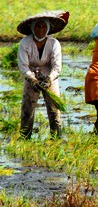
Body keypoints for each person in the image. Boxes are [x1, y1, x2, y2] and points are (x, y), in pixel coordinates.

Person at [17, 10, 70, 139]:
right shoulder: (25, 43)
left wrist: (49, 79)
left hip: (49, 76)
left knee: (54, 109)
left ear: (47, 29)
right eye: (37, 26)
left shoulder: (54, 43)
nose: (40, 30)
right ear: (32, 27)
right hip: (31, 77)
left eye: (43, 26)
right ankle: (25, 136)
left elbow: (57, 66)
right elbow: (23, 65)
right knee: (27, 108)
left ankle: (56, 136)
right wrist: (32, 80)